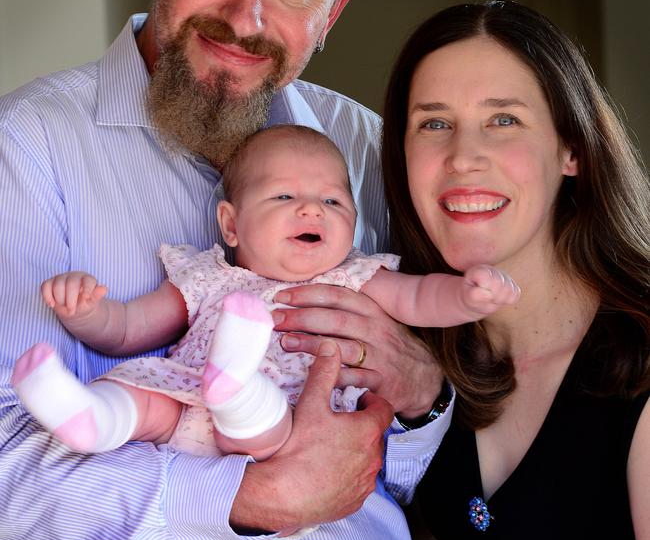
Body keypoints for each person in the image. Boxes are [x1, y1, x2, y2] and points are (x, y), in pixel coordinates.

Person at [0, 0, 453, 540]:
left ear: (333, 10)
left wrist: (424, 396)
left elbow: (395, 468)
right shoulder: (24, 148)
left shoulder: (366, 149)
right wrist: (252, 494)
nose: (248, 16)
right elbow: (3, 459)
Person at [380, 0, 650, 540]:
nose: (463, 157)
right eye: (433, 123)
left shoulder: (642, 356)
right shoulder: (419, 348)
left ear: (572, 150)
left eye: (502, 120)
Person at [12, 124, 519, 464]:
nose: (312, 210)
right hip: (188, 406)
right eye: (284, 196)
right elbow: (125, 331)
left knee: (267, 419)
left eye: (332, 200)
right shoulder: (207, 277)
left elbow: (418, 300)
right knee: (146, 398)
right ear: (231, 225)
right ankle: (93, 419)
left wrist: (466, 296)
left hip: (288, 425)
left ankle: (239, 392)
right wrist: (85, 312)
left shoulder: (351, 276)